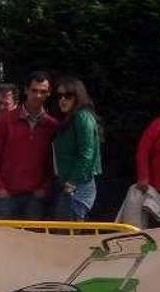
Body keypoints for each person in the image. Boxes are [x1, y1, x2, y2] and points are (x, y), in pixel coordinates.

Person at [0, 72, 59, 220]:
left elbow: (54, 162)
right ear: (26, 90)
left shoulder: (52, 125)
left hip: (35, 198)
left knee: (32, 242)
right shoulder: (6, 120)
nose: (38, 95)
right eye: (34, 90)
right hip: (6, 195)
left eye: (43, 92)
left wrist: (44, 189)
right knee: (0, 241)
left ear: (49, 94)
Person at [52, 77, 102, 221]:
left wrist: (72, 182)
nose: (62, 100)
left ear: (77, 97)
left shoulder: (82, 117)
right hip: (70, 183)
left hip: (79, 186)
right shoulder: (69, 119)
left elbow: (87, 153)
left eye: (68, 96)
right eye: (59, 96)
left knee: (70, 232)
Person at [135, 114, 160, 226]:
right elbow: (143, 151)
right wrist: (143, 177)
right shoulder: (159, 124)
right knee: (156, 224)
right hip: (158, 187)